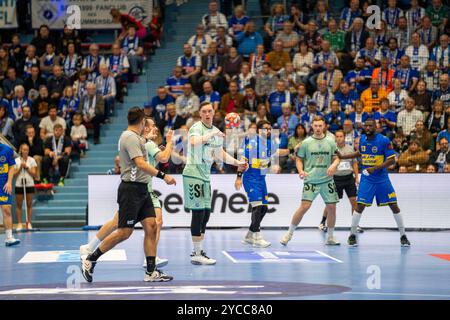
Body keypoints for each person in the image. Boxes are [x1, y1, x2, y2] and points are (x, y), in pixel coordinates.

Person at [81, 107, 176, 283]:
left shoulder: (138, 138)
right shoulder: (129, 137)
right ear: (141, 122)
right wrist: (164, 176)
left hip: (142, 189)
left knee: (152, 226)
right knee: (124, 232)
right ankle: (90, 259)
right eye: (146, 124)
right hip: (131, 190)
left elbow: (146, 152)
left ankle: (151, 271)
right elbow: (140, 164)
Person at [182, 102, 247, 265]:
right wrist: (213, 134)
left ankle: (198, 251)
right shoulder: (197, 127)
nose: (207, 114)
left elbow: (220, 154)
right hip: (193, 174)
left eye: (210, 111)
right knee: (198, 213)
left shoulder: (215, 132)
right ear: (200, 113)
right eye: (204, 111)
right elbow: (194, 142)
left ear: (214, 112)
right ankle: (197, 253)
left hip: (205, 177)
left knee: (206, 214)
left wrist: (237, 162)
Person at [337, 118, 411, 247]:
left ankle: (403, 235)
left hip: (382, 179)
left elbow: (392, 160)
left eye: (370, 126)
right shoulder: (362, 139)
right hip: (367, 179)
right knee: (359, 206)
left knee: (394, 205)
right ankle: (352, 235)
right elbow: (360, 153)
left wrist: (375, 168)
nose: (368, 128)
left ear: (376, 127)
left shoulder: (384, 140)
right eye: (366, 126)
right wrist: (343, 157)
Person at [280, 116, 341, 246]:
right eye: (316, 126)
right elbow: (298, 159)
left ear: (324, 126)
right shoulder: (306, 143)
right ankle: (289, 234)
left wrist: (333, 165)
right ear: (312, 126)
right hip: (311, 180)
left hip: (327, 180)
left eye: (320, 126)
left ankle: (330, 237)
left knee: (332, 208)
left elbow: (337, 158)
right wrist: (301, 171)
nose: (318, 128)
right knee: (304, 207)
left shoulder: (331, 141)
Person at [235, 120, 289, 247]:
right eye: (266, 128)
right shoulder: (253, 143)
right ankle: (257, 237)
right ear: (259, 131)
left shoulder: (269, 143)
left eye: (270, 128)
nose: (269, 131)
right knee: (258, 207)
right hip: (251, 179)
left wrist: (292, 150)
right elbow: (243, 160)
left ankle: (249, 234)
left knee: (264, 208)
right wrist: (238, 177)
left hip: (261, 179)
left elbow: (278, 152)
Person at [319, 130, 361, 233]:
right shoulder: (331, 149)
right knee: (331, 203)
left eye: (341, 136)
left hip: (349, 179)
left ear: (344, 137)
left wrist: (356, 177)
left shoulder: (350, 149)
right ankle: (322, 223)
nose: (338, 138)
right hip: (336, 179)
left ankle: (355, 225)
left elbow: (354, 164)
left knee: (354, 202)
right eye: (337, 136)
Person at [0, 141, 20, 246]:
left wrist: (9, 182)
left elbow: (12, 166)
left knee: (6, 209)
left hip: (3, 184)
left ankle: (9, 237)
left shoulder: (7, 149)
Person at [14, 143, 37, 231]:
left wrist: (27, 167)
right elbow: (14, 175)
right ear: (21, 150)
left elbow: (34, 174)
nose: (25, 151)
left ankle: (29, 222)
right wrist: (20, 167)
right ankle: (20, 223)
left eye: (27, 150)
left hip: (29, 184)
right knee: (19, 204)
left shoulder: (32, 160)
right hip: (19, 184)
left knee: (29, 204)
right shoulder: (16, 161)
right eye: (24, 150)